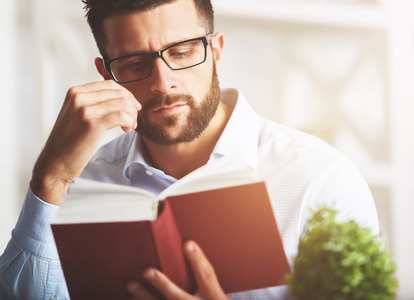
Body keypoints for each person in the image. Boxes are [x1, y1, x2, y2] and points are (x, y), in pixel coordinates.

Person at [0, 0, 380, 299]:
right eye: (135, 63)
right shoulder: (76, 181)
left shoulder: (320, 180)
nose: (164, 84)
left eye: (181, 53)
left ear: (216, 50)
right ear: (106, 74)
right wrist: (49, 177)